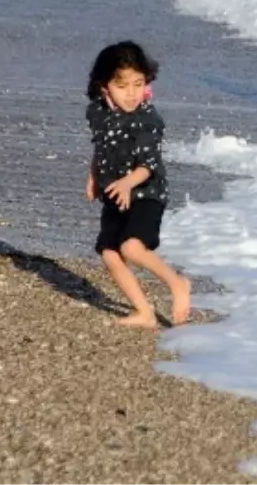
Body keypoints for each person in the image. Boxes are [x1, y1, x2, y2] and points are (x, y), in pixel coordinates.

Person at [85, 41, 191, 329]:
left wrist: (127, 183)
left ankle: (177, 283)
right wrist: (94, 175)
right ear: (104, 86)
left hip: (146, 193)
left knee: (132, 248)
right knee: (110, 254)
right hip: (114, 194)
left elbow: (148, 164)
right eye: (122, 86)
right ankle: (144, 311)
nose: (131, 93)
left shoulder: (147, 120)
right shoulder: (98, 113)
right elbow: (101, 147)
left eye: (138, 84)